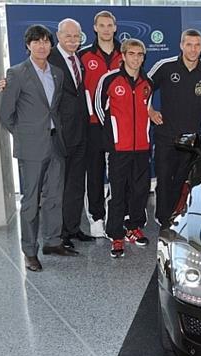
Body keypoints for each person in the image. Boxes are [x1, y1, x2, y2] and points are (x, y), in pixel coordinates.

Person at [0, 25, 78, 272]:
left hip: (55, 143)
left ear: (51, 45)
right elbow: (5, 114)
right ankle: (30, 251)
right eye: (36, 42)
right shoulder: (16, 73)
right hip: (31, 148)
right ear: (28, 45)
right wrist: (25, 136)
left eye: (45, 41)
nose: (42, 46)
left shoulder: (56, 73)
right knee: (31, 202)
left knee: (55, 196)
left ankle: (52, 242)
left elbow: (54, 108)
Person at [148, 29, 201, 229]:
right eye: (189, 45)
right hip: (165, 134)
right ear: (181, 45)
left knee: (182, 180)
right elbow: (143, 86)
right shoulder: (166, 66)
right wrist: (149, 110)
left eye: (197, 45)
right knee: (165, 178)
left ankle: (176, 215)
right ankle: (163, 217)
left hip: (190, 139)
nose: (193, 49)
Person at [94, 38, 153, 258]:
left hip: (142, 148)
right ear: (124, 55)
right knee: (117, 193)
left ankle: (133, 228)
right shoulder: (110, 80)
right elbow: (99, 109)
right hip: (119, 148)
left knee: (140, 191)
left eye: (140, 54)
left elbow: (147, 109)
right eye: (132, 54)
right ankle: (116, 235)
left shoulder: (147, 82)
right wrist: (114, 134)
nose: (136, 58)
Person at [50, 19, 96, 249]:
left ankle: (73, 228)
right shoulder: (49, 58)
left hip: (81, 132)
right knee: (60, 186)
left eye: (76, 36)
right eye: (68, 36)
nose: (72, 40)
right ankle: (60, 234)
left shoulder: (78, 59)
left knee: (77, 184)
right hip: (60, 135)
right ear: (58, 36)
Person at [79, 10, 123, 238]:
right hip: (93, 124)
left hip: (118, 126)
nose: (106, 29)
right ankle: (96, 217)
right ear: (95, 28)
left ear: (115, 28)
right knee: (94, 172)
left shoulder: (126, 54)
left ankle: (118, 214)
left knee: (118, 172)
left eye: (110, 25)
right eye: (102, 25)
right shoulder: (84, 56)